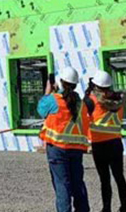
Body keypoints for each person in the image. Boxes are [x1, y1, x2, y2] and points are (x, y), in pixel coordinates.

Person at [39, 67, 91, 212]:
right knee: (77, 183)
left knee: (62, 185)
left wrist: (48, 91)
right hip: (76, 149)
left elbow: (41, 110)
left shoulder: (54, 99)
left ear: (61, 82)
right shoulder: (81, 104)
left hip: (57, 148)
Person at [86, 71, 126, 212]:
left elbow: (84, 118)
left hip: (99, 144)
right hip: (116, 143)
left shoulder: (91, 100)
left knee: (104, 179)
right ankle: (124, 207)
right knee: (119, 177)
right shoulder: (119, 100)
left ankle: (106, 208)